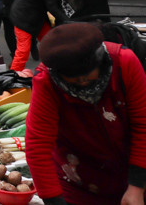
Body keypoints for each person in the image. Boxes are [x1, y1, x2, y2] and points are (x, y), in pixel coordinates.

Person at [25, 22, 146, 205]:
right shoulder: (47, 81)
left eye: (88, 77)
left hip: (135, 169)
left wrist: (137, 187)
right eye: (73, 81)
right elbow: (38, 145)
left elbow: (143, 126)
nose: (82, 83)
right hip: (80, 181)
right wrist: (53, 200)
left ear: (100, 62)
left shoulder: (124, 62)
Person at [8, 0, 78, 75]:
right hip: (24, 17)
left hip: (35, 16)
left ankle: (54, 71)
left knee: (51, 44)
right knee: (23, 52)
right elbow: (52, 5)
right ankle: (12, 78)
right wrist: (68, 21)